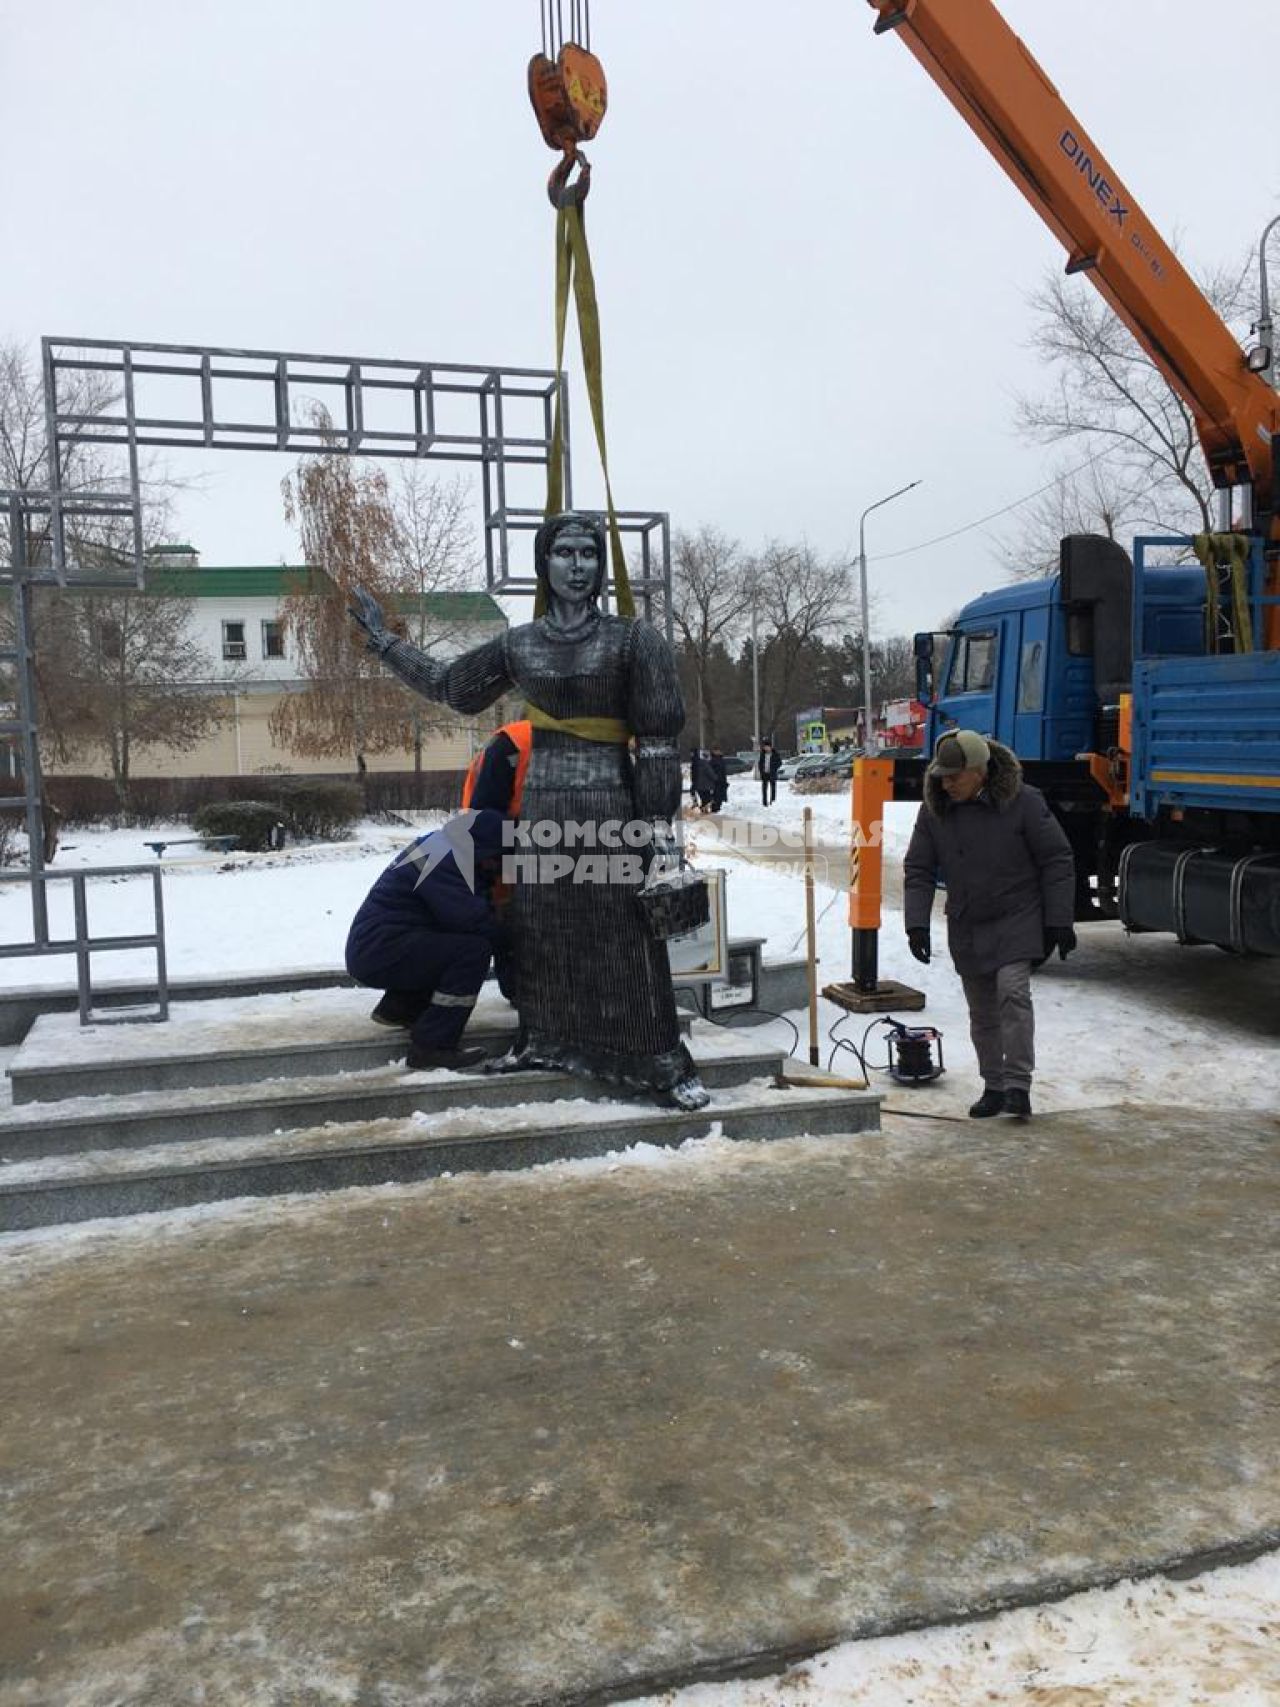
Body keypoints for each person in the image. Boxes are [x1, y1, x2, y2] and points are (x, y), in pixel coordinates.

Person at [350, 509, 709, 1110]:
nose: (578, 565)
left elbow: (657, 744)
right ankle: (545, 1039)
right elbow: (452, 686)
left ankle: (658, 1059)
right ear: (544, 563)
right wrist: (386, 645)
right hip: (541, 806)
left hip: (610, 806)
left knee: (624, 935)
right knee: (541, 930)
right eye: (564, 552)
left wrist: (660, 836)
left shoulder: (632, 640)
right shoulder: (521, 644)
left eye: (589, 554)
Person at [902, 729, 1076, 1121]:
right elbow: (919, 868)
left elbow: (1057, 859)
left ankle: (1018, 1086)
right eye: (941, 776)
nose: (945, 783)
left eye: (954, 776)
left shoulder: (1024, 802)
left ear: (979, 771)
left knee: (1012, 994)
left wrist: (1059, 921)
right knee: (982, 1011)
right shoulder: (935, 811)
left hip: (1018, 914)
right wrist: (917, 924)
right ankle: (994, 1086)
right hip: (968, 920)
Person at [345, 808, 507, 1071]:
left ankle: (401, 1007)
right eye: (497, 859)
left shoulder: (441, 845)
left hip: (378, 946)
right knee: (472, 951)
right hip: (380, 951)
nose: (497, 867)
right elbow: (473, 921)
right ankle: (432, 1047)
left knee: (447, 945)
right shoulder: (446, 862)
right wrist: (517, 939)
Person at [756, 738, 781, 806]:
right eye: (764, 747)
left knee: (773, 788)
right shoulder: (762, 754)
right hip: (764, 773)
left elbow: (779, 763)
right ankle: (764, 802)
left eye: (767, 747)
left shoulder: (775, 754)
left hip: (772, 773)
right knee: (764, 789)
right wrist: (761, 770)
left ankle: (772, 801)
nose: (766, 748)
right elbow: (760, 763)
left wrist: (774, 768)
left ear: (770, 747)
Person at [707, 747, 729, 814]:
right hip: (716, 783)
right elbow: (710, 772)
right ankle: (714, 810)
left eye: (719, 750)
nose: (719, 752)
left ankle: (717, 810)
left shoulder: (721, 760)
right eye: (716, 750)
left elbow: (723, 772)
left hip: (722, 782)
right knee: (716, 798)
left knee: (719, 799)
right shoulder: (712, 761)